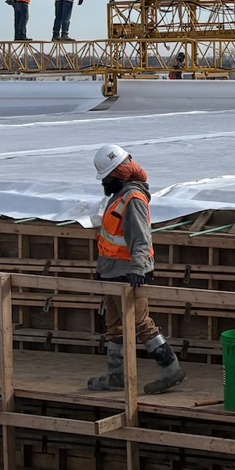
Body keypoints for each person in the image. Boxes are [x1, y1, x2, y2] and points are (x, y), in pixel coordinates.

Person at [88, 145, 186, 394]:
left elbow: (142, 238)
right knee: (114, 325)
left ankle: (171, 369)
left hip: (129, 272)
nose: (104, 183)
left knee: (140, 323)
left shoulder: (133, 198)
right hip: (111, 271)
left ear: (117, 175)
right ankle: (116, 376)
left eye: (106, 178)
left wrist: (138, 269)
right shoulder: (119, 196)